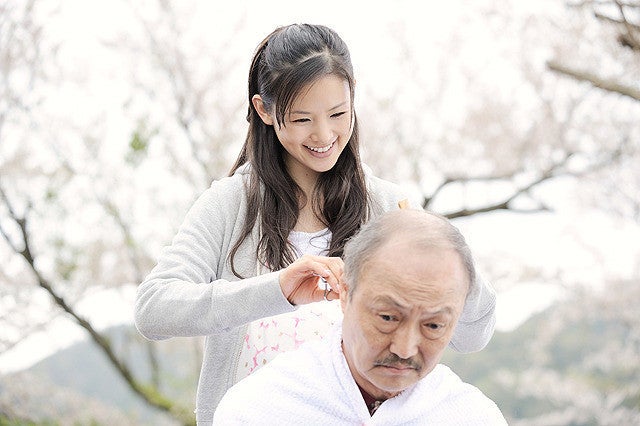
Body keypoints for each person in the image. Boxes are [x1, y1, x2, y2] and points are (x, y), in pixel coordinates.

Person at [134, 23, 497, 425]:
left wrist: (445, 253)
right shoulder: (230, 204)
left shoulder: (387, 206)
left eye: (339, 113)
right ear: (264, 111)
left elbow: (472, 334)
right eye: (303, 118)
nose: (324, 135)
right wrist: (278, 290)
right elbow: (154, 310)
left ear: (354, 96)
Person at [212, 209, 507, 425]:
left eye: (433, 325)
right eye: (388, 318)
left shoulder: (473, 416)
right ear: (344, 294)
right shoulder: (259, 408)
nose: (404, 349)